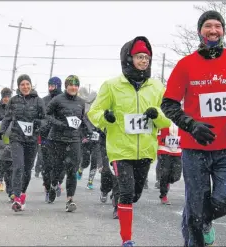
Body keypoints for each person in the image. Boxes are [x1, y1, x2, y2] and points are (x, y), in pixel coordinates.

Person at [161, 11, 226, 247]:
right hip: (194, 148)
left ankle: (199, 220)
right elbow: (168, 104)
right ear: (200, 31)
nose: (213, 30)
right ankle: (196, 227)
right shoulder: (185, 65)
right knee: (197, 209)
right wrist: (191, 125)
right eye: (208, 26)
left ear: (223, 31)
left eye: (217, 26)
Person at [88, 36, 171, 246]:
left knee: (134, 194)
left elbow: (167, 118)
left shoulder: (157, 87)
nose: (144, 61)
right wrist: (104, 119)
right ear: (128, 58)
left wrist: (156, 115)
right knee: (125, 192)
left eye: (147, 57)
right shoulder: (112, 85)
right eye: (139, 57)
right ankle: (127, 239)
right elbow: (94, 112)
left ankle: (125, 205)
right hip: (119, 149)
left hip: (145, 150)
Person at [0, 74, 45, 212]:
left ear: (31, 85)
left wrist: (38, 123)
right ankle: (16, 197)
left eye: (27, 84)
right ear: (18, 87)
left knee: (27, 170)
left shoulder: (38, 101)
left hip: (32, 140)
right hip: (16, 138)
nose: (25, 86)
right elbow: (7, 118)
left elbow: (45, 120)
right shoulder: (13, 101)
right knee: (18, 166)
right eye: (22, 84)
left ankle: (22, 192)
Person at [45, 75, 93, 211]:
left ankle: (70, 200)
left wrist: (89, 130)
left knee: (72, 169)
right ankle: (54, 185)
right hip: (57, 139)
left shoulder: (80, 102)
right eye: (71, 85)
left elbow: (82, 119)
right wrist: (60, 124)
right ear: (66, 86)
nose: (73, 87)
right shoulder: (57, 100)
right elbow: (47, 115)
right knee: (57, 168)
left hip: (74, 139)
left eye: (76, 85)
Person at [40, 77, 65, 202]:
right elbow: (40, 116)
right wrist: (42, 126)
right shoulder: (44, 100)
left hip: (62, 137)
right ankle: (48, 188)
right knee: (46, 165)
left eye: (53, 86)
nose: (50, 88)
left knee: (60, 164)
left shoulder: (64, 99)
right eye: (49, 85)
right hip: (46, 137)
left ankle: (57, 182)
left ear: (58, 86)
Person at [76, 97, 102, 190]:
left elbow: (103, 129)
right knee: (86, 161)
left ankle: (90, 181)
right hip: (86, 142)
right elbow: (79, 127)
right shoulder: (85, 116)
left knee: (94, 161)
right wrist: (83, 137)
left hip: (96, 143)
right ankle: (80, 169)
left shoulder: (100, 116)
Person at [157, 121, 182, 205]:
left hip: (178, 150)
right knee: (164, 173)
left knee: (176, 176)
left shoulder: (182, 115)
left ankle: (167, 182)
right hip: (164, 149)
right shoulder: (162, 115)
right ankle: (163, 195)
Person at [0, 122, 14, 202]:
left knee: (17, 171)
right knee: (8, 172)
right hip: (6, 152)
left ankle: (15, 192)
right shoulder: (5, 123)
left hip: (18, 151)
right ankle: (11, 192)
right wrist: (4, 146)